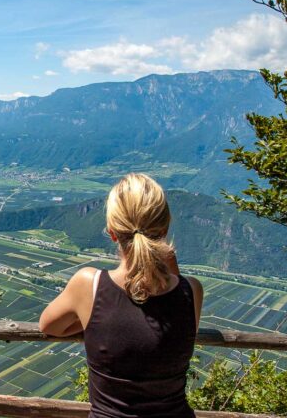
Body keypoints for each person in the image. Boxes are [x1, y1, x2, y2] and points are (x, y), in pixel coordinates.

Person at [39, 173, 203, 417]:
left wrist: (93, 326)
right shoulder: (192, 291)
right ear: (165, 229)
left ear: (112, 232)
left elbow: (49, 326)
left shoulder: (88, 285)